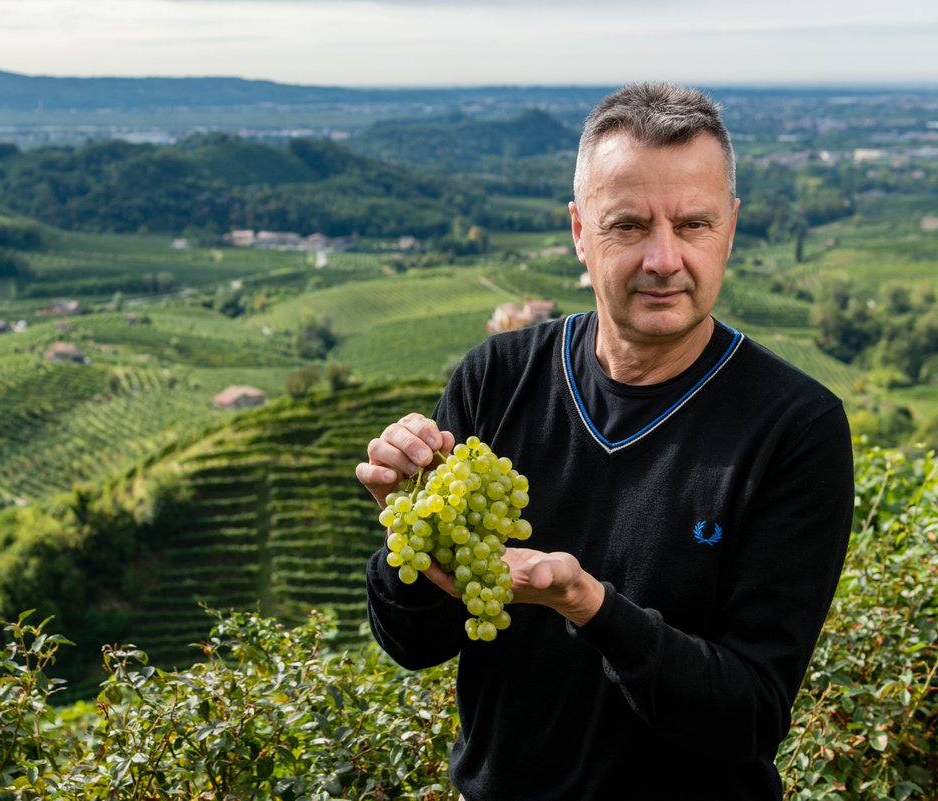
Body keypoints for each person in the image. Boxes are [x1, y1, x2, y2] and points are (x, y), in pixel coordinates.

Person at [356, 82, 854, 800]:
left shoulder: (794, 429)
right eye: (627, 225)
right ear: (580, 231)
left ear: (731, 229)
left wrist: (591, 606)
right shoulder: (495, 376)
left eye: (693, 224)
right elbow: (414, 644)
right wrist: (410, 526)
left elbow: (750, 712)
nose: (663, 258)